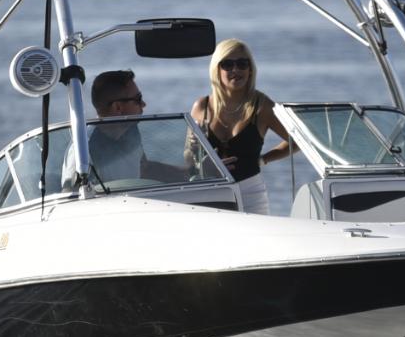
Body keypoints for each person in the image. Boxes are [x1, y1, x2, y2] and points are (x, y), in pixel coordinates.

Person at [190, 39, 290, 214]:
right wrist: (198, 157)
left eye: (242, 64)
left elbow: (298, 140)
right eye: (227, 64)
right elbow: (187, 159)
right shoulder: (201, 107)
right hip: (210, 192)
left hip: (250, 194)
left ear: (250, 70)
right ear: (217, 70)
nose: (235, 70)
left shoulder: (262, 106)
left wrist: (264, 159)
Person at [71, 69, 186, 186]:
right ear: (118, 107)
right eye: (138, 99)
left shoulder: (130, 131)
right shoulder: (83, 151)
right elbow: (73, 196)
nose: (143, 104)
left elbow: (144, 169)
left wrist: (189, 173)